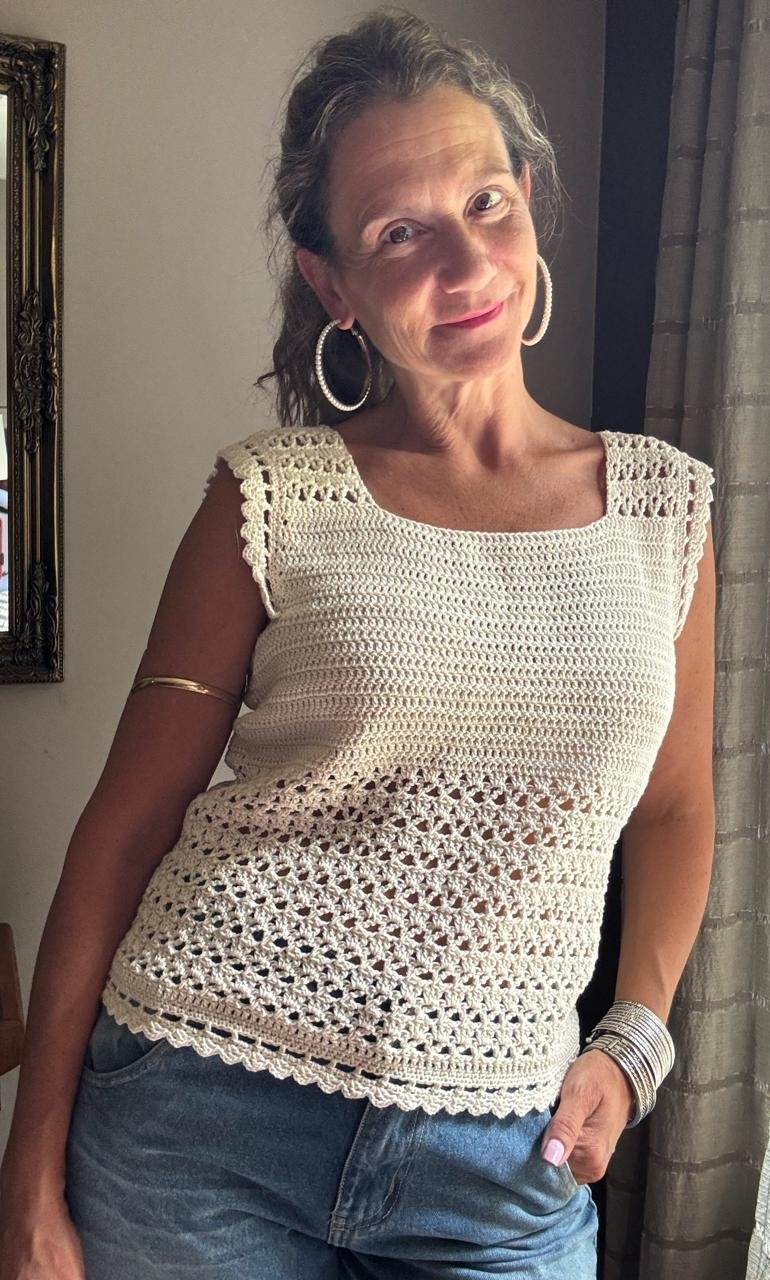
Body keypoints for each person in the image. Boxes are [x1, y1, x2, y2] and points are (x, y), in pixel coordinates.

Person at [0, 9, 717, 1279]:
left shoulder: (661, 510)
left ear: (529, 197)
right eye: (399, 231)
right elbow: (124, 824)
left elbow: (671, 808)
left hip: (503, 1158)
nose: (466, 259)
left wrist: (635, 1038)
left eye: (485, 202)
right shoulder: (271, 496)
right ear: (331, 282)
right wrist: (27, 1174)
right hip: (201, 1106)